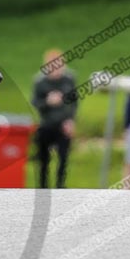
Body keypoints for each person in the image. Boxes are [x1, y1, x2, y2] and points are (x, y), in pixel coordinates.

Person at [31, 49, 77, 188]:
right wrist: (48, 102)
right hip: (46, 124)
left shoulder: (69, 79)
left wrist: (71, 120)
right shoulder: (40, 81)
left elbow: (74, 102)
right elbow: (35, 103)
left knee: (63, 158)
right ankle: (43, 187)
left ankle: (60, 186)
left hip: (63, 124)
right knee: (43, 160)